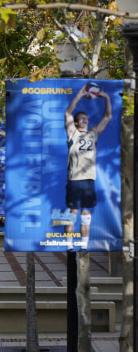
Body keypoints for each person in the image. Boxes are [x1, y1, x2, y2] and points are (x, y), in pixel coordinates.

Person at [64, 83, 112, 250]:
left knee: (86, 216)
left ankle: (83, 247)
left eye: (86, 118)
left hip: (89, 180)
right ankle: (69, 246)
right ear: (76, 123)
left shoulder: (93, 133)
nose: (85, 120)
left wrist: (106, 97)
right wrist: (80, 94)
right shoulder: (73, 133)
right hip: (75, 180)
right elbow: (68, 113)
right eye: (82, 119)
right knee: (72, 214)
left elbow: (107, 117)